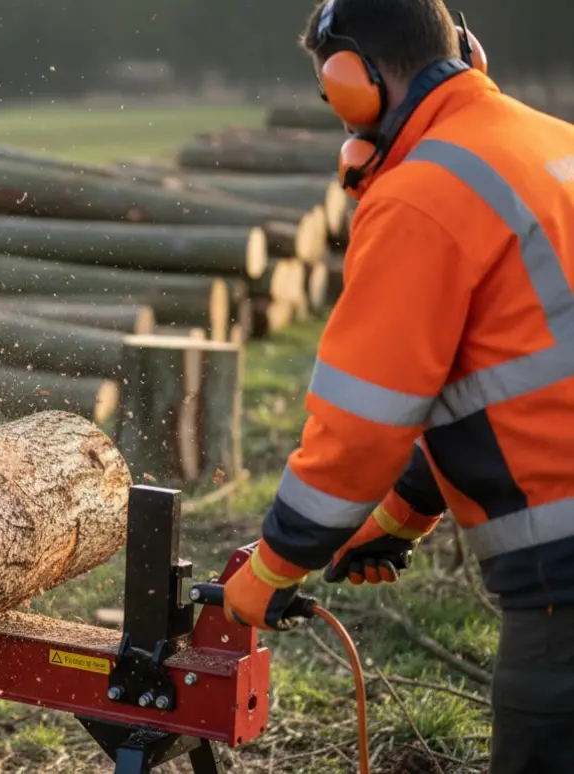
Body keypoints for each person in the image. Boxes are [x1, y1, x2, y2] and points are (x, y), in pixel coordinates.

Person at [219, 0, 574, 770]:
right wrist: (405, 511)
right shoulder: (549, 143)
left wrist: (269, 573)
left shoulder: (421, 195)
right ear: (466, 50)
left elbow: (358, 431)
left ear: (353, 84)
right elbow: (514, 370)